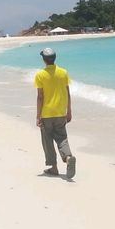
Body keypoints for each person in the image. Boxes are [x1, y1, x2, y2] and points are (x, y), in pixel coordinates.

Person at [34, 47, 76, 178]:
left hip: (46, 113)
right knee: (62, 138)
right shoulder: (63, 73)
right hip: (60, 112)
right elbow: (68, 93)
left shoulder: (40, 75)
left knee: (47, 141)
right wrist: (69, 111)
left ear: (44, 60)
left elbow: (40, 96)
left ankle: (54, 167)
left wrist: (38, 116)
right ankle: (68, 157)